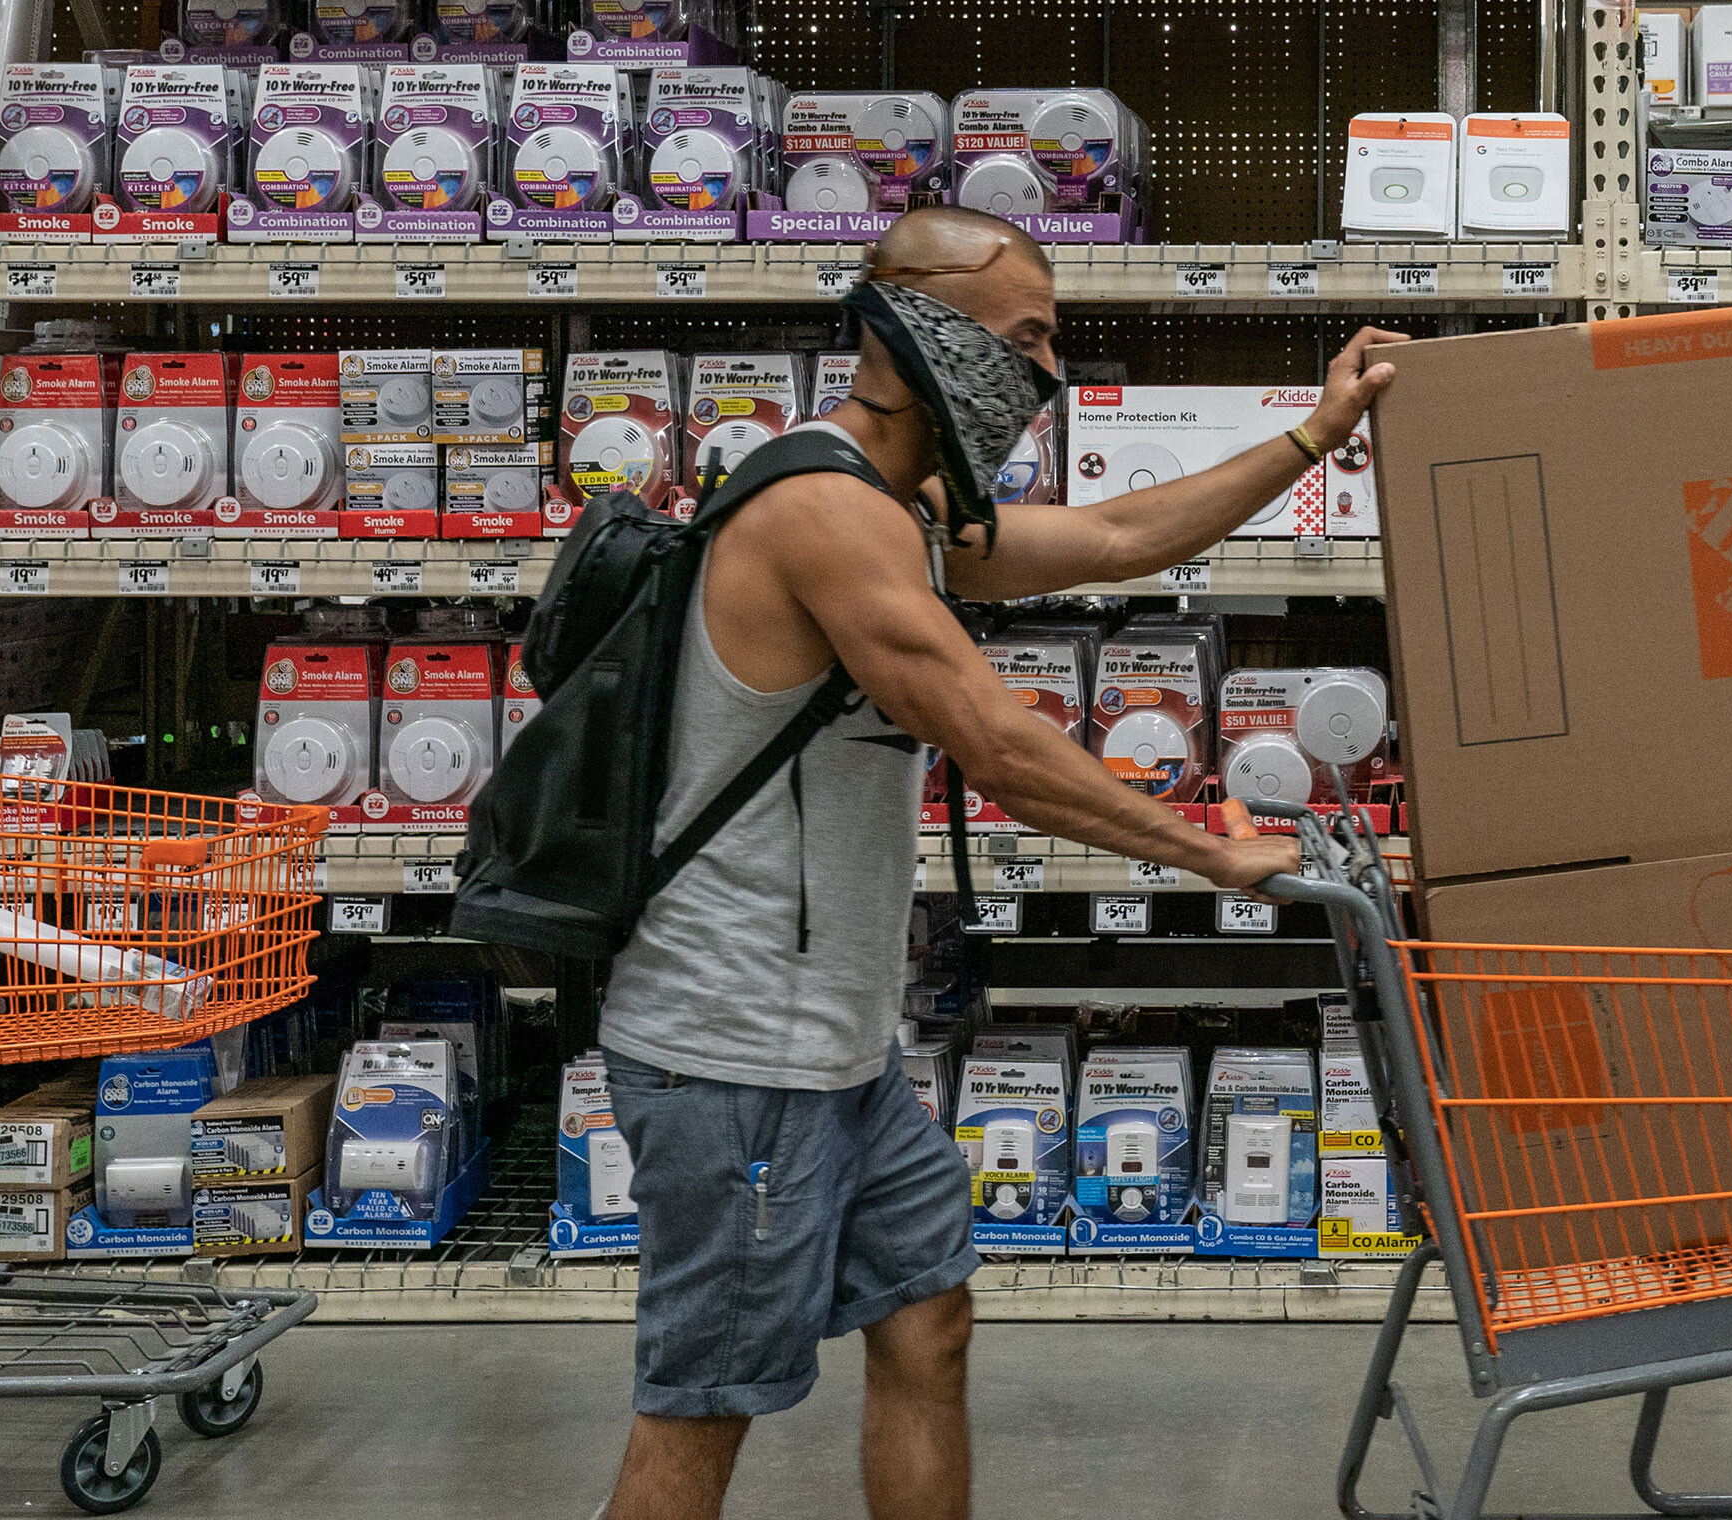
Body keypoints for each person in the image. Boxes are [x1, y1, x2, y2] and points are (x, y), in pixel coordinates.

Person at [595, 205, 1407, 1520]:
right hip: (733, 1053)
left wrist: (1316, 435)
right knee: (704, 1411)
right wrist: (1214, 850)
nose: (1042, 374)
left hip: (839, 1056)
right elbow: (993, 739)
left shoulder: (898, 509)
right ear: (916, 324)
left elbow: (1115, 541)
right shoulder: (818, 509)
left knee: (929, 1330)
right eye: (1026, 337)